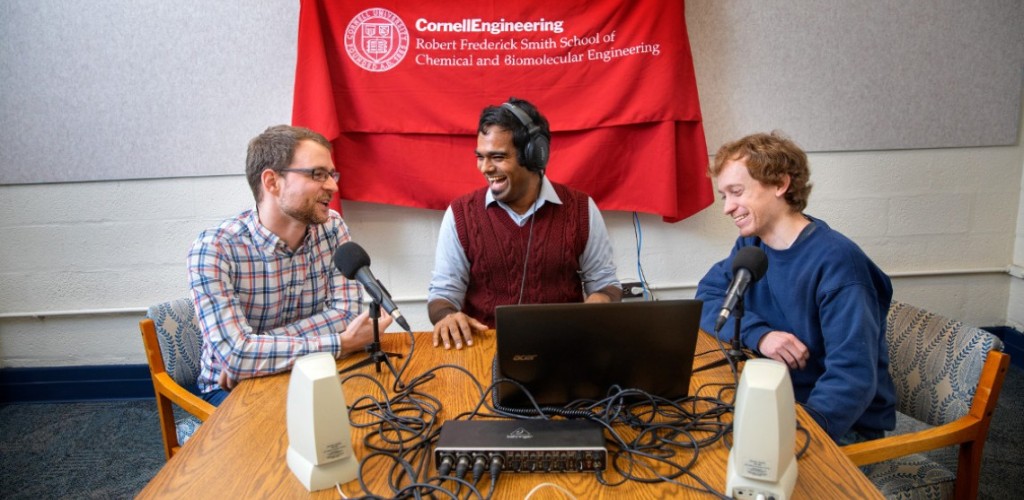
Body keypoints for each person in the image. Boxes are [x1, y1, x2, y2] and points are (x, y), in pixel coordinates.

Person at [695, 131, 895, 444]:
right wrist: (760, 335)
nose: (727, 208)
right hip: (775, 400)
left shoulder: (839, 263)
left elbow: (852, 379)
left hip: (835, 425)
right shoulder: (752, 246)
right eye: (725, 196)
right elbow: (708, 298)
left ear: (780, 184)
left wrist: (792, 438)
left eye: (737, 192)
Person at [188, 124, 392, 406]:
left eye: (332, 174)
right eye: (318, 174)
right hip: (231, 389)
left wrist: (256, 351)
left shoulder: (332, 227)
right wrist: (341, 343)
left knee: (376, 414)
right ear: (272, 182)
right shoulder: (214, 249)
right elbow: (236, 356)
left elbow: (345, 314)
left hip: (307, 371)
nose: (333, 185)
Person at [428, 97, 622, 349]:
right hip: (484, 351)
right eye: (480, 157)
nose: (485, 168)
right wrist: (447, 316)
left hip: (564, 347)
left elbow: (607, 283)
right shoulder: (461, 213)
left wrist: (601, 299)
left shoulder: (581, 208)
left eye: (497, 157)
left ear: (534, 155)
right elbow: (442, 294)